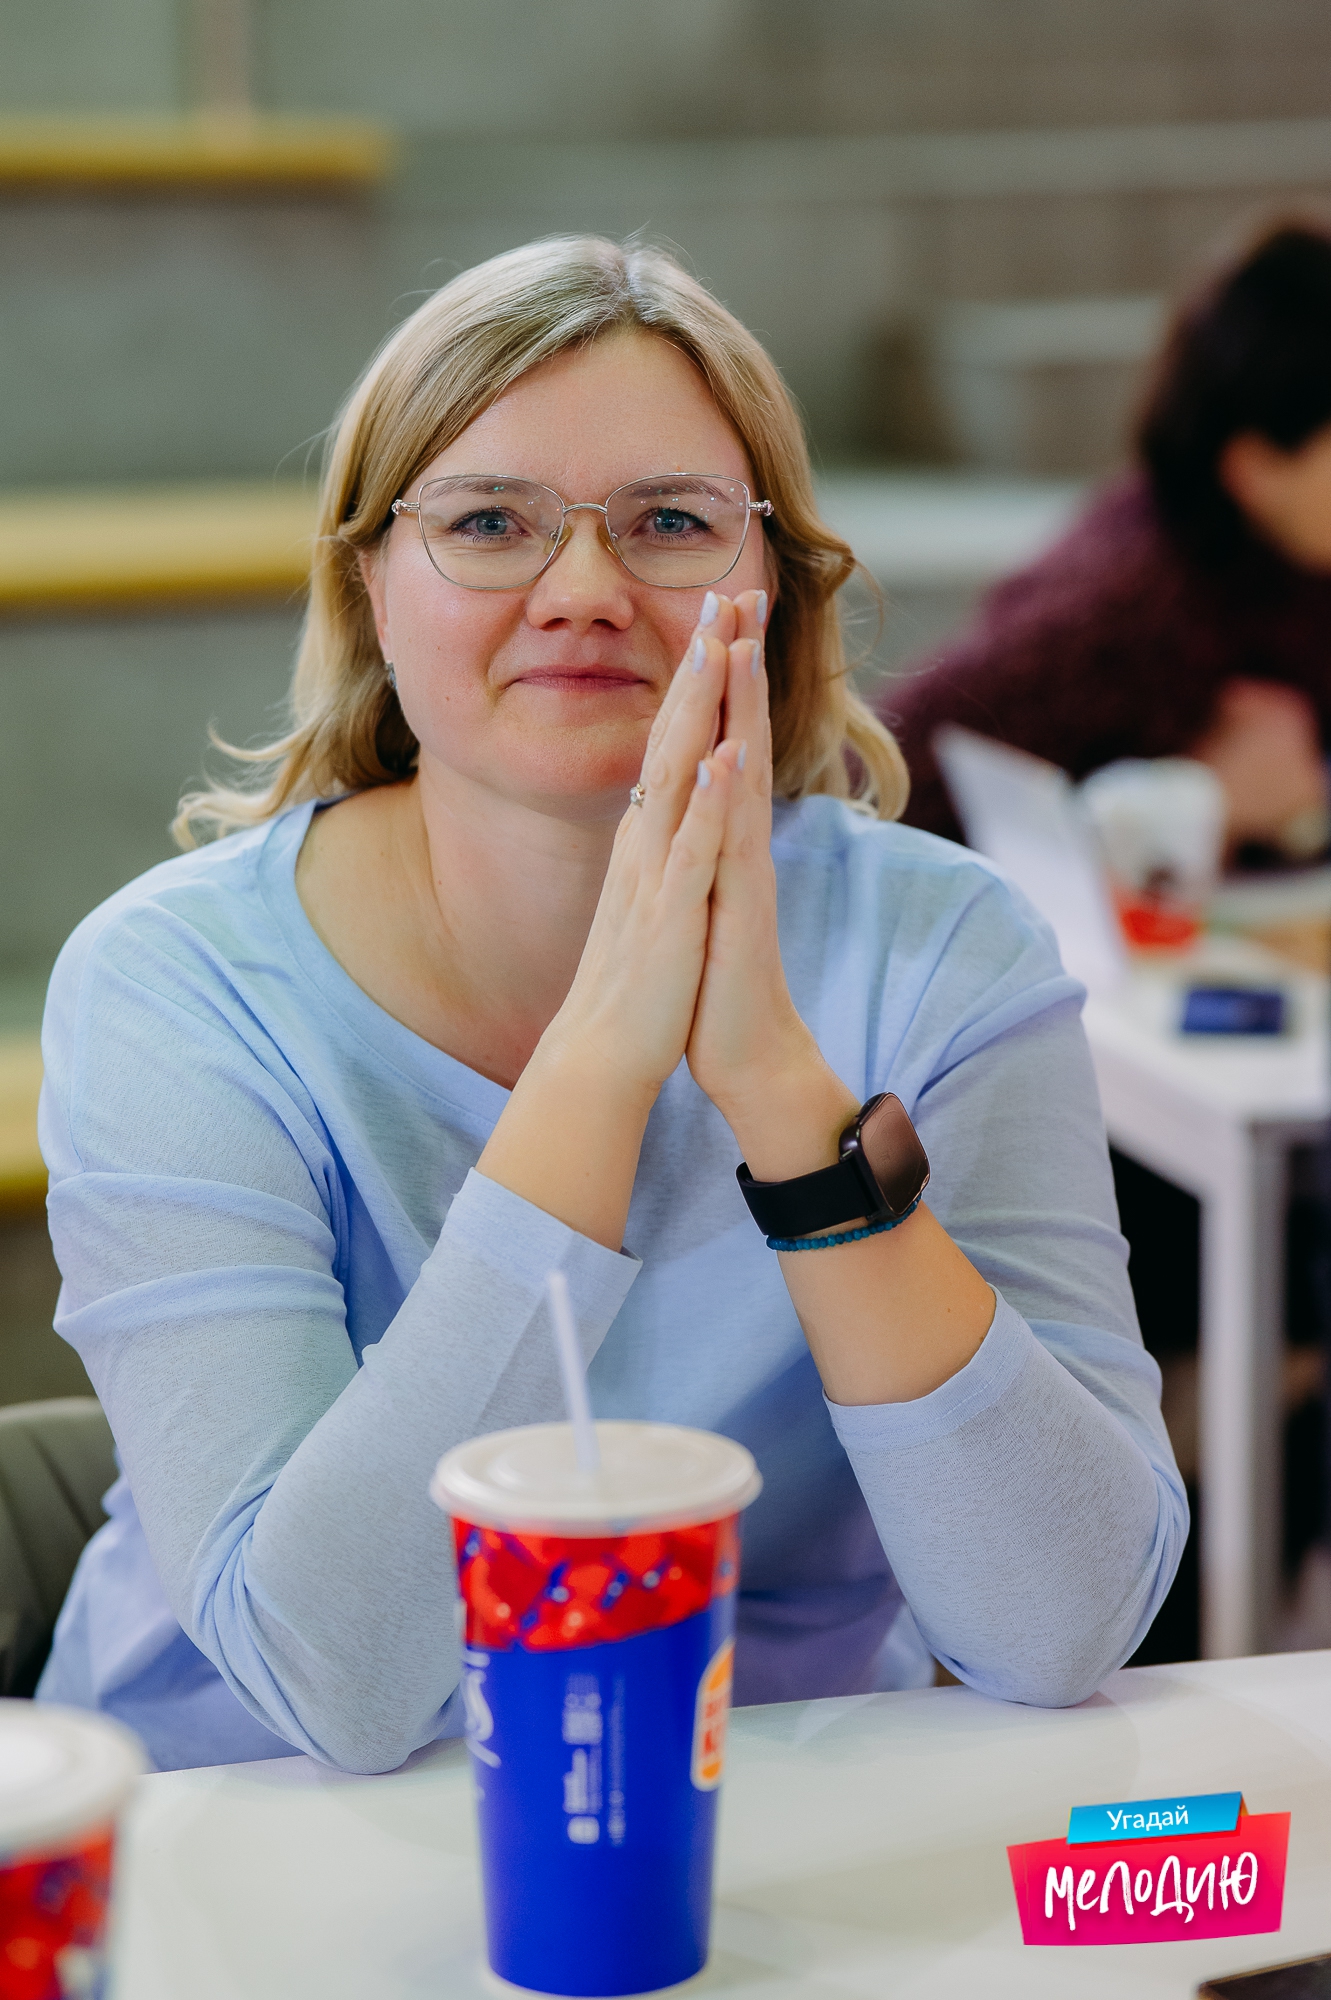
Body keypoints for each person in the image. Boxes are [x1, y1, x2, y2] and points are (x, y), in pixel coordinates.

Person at [37, 238, 1185, 1774]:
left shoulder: (945, 950)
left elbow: (1059, 1626)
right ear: (370, 584)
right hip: (245, 1822)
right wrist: (598, 1067)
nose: (581, 593)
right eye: (487, 523)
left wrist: (783, 1100)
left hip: (775, 1817)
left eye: (668, 524)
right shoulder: (173, 985)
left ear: (769, 588)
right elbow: (336, 1686)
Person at [884, 219, 1331, 860]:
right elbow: (867, 800)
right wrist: (1196, 803)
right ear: (1254, 469)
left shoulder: (1297, 552)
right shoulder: (1120, 615)